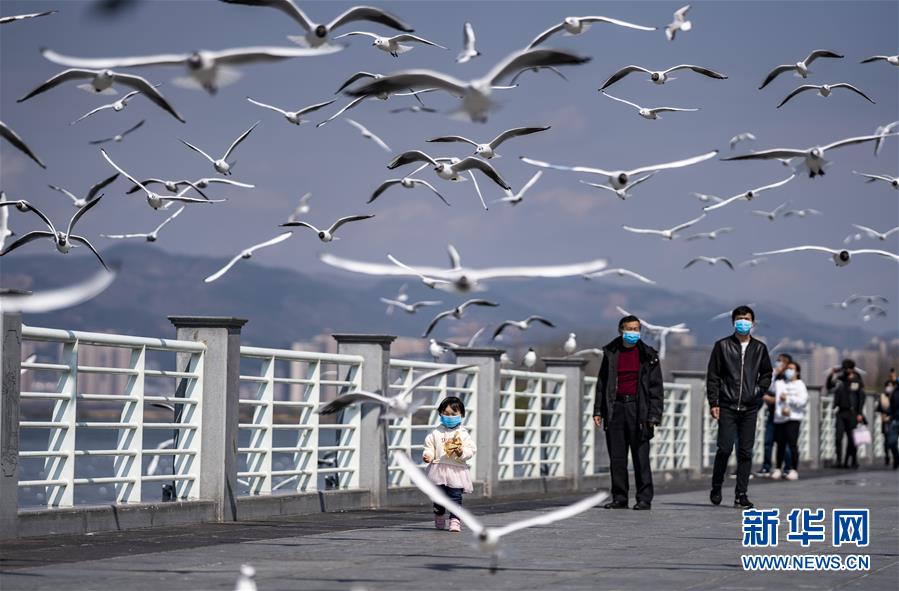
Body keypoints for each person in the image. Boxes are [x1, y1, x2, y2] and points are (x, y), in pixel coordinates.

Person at [592, 315, 664, 511]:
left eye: (636, 329)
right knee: (617, 458)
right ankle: (620, 497)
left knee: (641, 457)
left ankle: (644, 498)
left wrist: (653, 415)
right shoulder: (611, 353)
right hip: (615, 408)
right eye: (629, 329)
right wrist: (598, 409)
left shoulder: (648, 355)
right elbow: (602, 383)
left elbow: (656, 388)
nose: (633, 332)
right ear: (620, 330)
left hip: (638, 410)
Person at [707, 305, 773, 509]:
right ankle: (716, 486)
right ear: (733, 322)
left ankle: (741, 494)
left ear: (753, 323)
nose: (743, 322)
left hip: (749, 407)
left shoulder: (759, 348)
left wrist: (757, 392)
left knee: (745, 451)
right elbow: (713, 376)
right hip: (726, 405)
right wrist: (714, 402)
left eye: (747, 319)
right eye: (739, 319)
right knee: (724, 448)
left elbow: (767, 374)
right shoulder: (722, 346)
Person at [422, 396, 476, 532]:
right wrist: (428, 455)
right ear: (440, 413)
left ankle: (455, 520)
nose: (449, 417)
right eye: (445, 414)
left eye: (453, 414)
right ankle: (439, 515)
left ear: (461, 415)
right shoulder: (436, 432)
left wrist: (461, 452)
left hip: (456, 470)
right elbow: (429, 447)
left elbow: (471, 450)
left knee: (455, 497)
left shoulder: (463, 434)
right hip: (438, 468)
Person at [771, 361, 808, 480]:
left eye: (792, 369)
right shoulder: (780, 383)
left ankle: (793, 469)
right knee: (780, 445)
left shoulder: (800, 384)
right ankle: (777, 468)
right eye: (787, 369)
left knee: (792, 444)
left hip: (793, 418)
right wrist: (775, 372)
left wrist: (788, 398)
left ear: (797, 371)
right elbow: (768, 386)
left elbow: (803, 401)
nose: (789, 371)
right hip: (780, 418)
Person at [826, 359, 865, 469]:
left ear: (852, 369)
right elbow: (829, 386)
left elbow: (861, 397)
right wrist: (831, 375)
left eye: (848, 369)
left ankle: (851, 460)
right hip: (841, 412)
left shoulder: (857, 381)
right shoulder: (840, 380)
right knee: (838, 437)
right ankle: (839, 460)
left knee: (852, 439)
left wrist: (860, 413)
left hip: (853, 413)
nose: (846, 371)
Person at [758, 353, 793, 477]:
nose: (778, 363)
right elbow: (767, 387)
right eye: (777, 361)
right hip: (773, 414)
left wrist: (775, 399)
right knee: (768, 441)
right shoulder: (774, 375)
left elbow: (789, 393)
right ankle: (766, 467)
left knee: (785, 444)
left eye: (781, 361)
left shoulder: (789, 376)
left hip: (785, 415)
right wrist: (774, 373)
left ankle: (787, 468)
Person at [877, 369, 896, 465]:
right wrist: (882, 415)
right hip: (886, 419)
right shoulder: (882, 396)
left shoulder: (896, 395)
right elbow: (879, 408)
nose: (888, 388)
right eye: (887, 386)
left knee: (893, 440)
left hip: (894, 419)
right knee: (886, 439)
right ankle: (887, 456)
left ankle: (895, 457)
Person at [886, 372, 899, 469]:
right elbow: (891, 406)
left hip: (895, 420)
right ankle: (896, 458)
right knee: (891, 442)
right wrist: (889, 415)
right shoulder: (895, 392)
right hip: (895, 420)